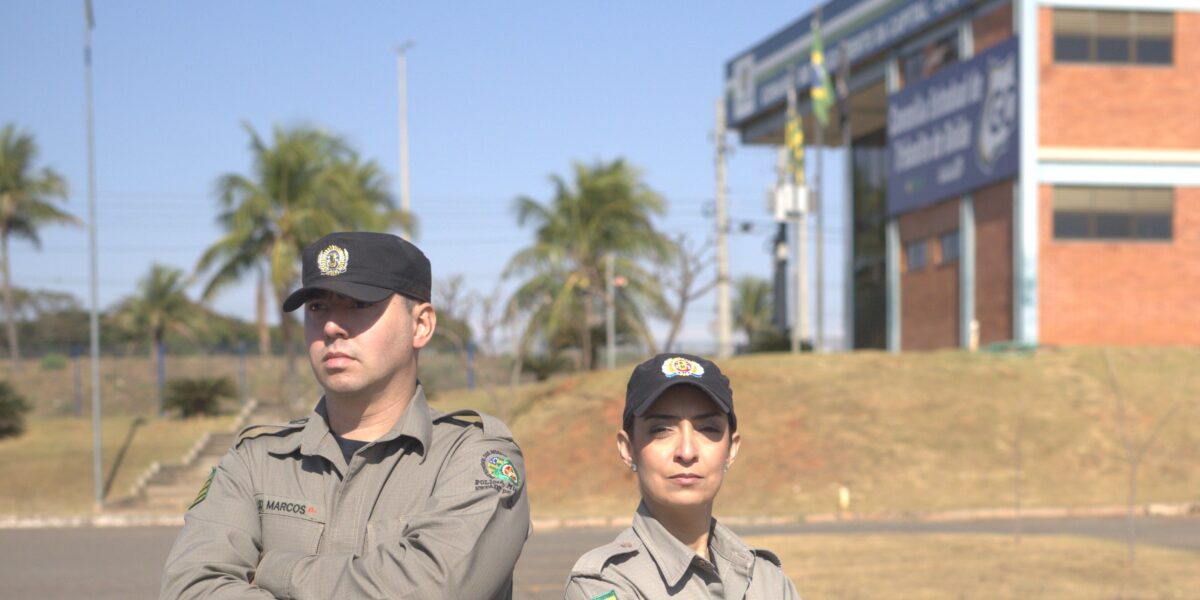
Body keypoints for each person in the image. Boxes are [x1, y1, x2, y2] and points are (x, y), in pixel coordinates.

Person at [161, 231, 530, 599]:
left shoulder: (473, 458)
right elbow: (192, 588)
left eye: (357, 304)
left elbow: (434, 588)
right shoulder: (257, 461)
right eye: (318, 308)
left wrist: (277, 571)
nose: (332, 326)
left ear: (421, 325)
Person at [564, 353, 800, 599]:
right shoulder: (603, 584)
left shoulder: (767, 580)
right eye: (661, 430)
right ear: (628, 448)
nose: (686, 452)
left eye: (708, 428)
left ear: (731, 449)